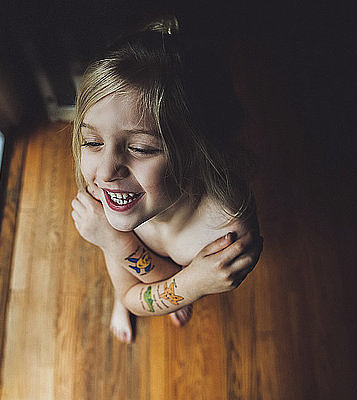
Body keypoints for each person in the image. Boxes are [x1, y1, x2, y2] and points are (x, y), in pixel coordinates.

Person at [70, 18, 263, 343]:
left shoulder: (227, 229)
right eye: (92, 142)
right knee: (127, 288)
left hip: (175, 269)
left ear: (196, 152)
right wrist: (187, 285)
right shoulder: (108, 198)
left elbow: (169, 285)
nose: (105, 173)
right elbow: (133, 293)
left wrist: (190, 286)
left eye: (141, 148)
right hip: (150, 273)